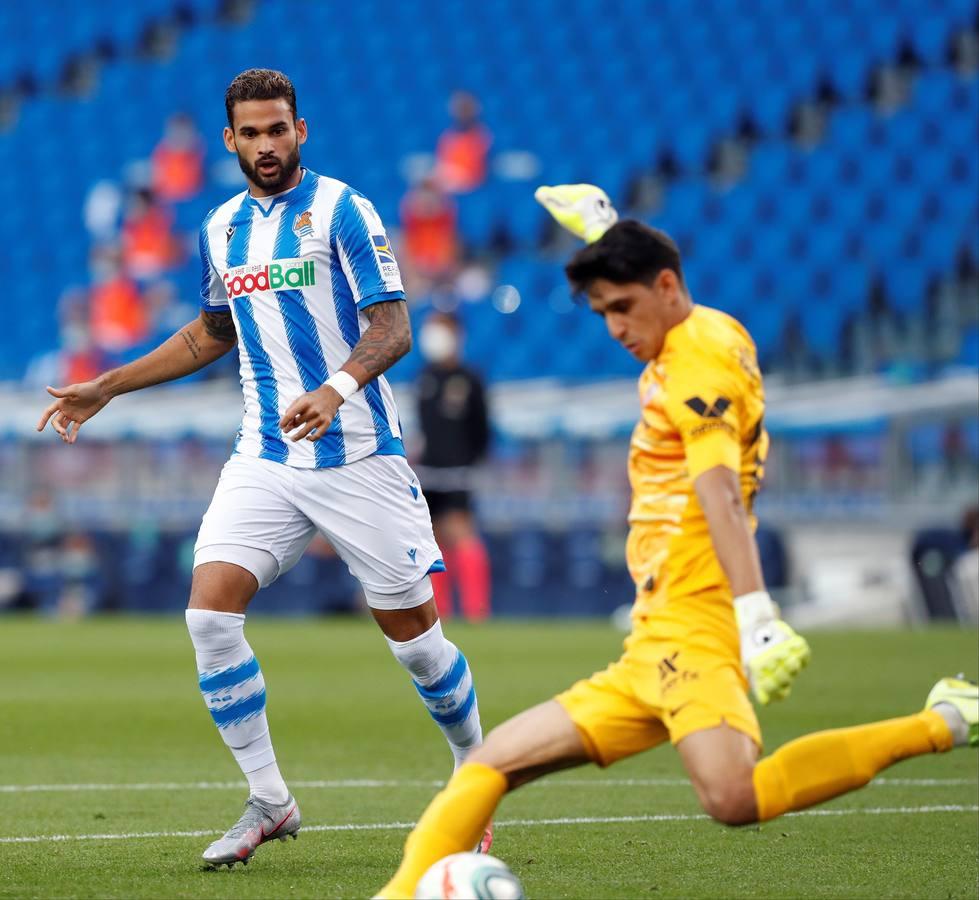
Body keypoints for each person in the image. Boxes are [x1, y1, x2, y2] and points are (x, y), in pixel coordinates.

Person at [376, 185, 978, 898]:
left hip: (696, 628)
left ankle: (943, 722)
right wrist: (604, 230)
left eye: (621, 308)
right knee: (490, 764)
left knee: (731, 798)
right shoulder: (698, 332)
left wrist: (756, 616)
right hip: (651, 636)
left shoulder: (699, 366)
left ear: (665, 287)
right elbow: (653, 286)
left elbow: (717, 490)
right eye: (602, 313)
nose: (614, 329)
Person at [37, 68, 489, 868]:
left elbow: (392, 329)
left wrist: (335, 387)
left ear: (300, 130)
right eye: (250, 133)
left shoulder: (345, 211)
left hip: (358, 456)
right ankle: (270, 800)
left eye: (277, 129)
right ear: (230, 140)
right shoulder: (219, 229)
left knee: (418, 646)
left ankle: (473, 774)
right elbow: (212, 333)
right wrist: (106, 385)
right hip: (266, 457)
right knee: (209, 616)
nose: (266, 145)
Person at [415, 311, 492, 620]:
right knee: (433, 539)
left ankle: (476, 609)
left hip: (458, 470)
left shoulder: (469, 379)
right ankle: (440, 611)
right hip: (429, 469)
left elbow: (481, 428)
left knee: (461, 531)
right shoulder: (426, 378)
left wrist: (470, 461)